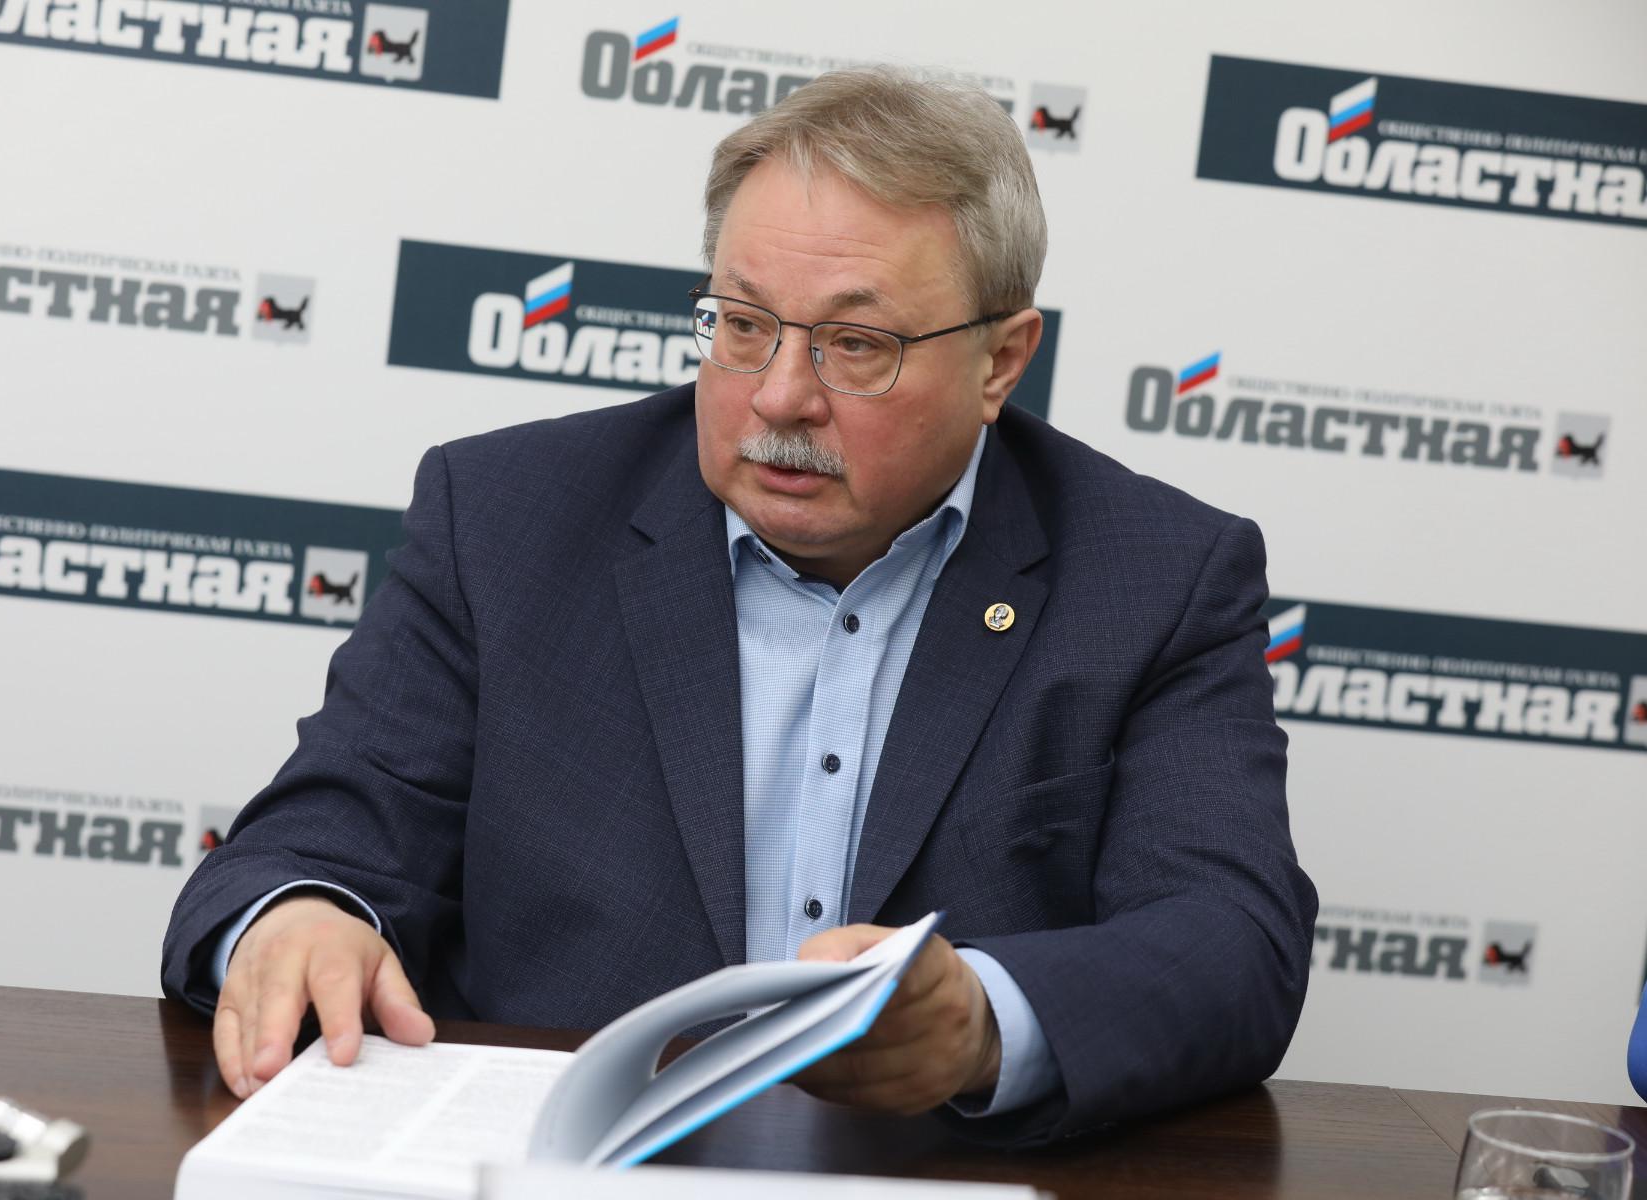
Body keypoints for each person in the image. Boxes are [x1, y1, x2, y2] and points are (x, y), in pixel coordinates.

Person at [163, 67, 1317, 1146]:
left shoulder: (1156, 576)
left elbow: (1231, 944)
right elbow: (320, 837)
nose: (778, 396)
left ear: (1001, 362)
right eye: (744, 323)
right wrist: (298, 917)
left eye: (857, 345)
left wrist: (980, 1021)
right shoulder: (507, 519)